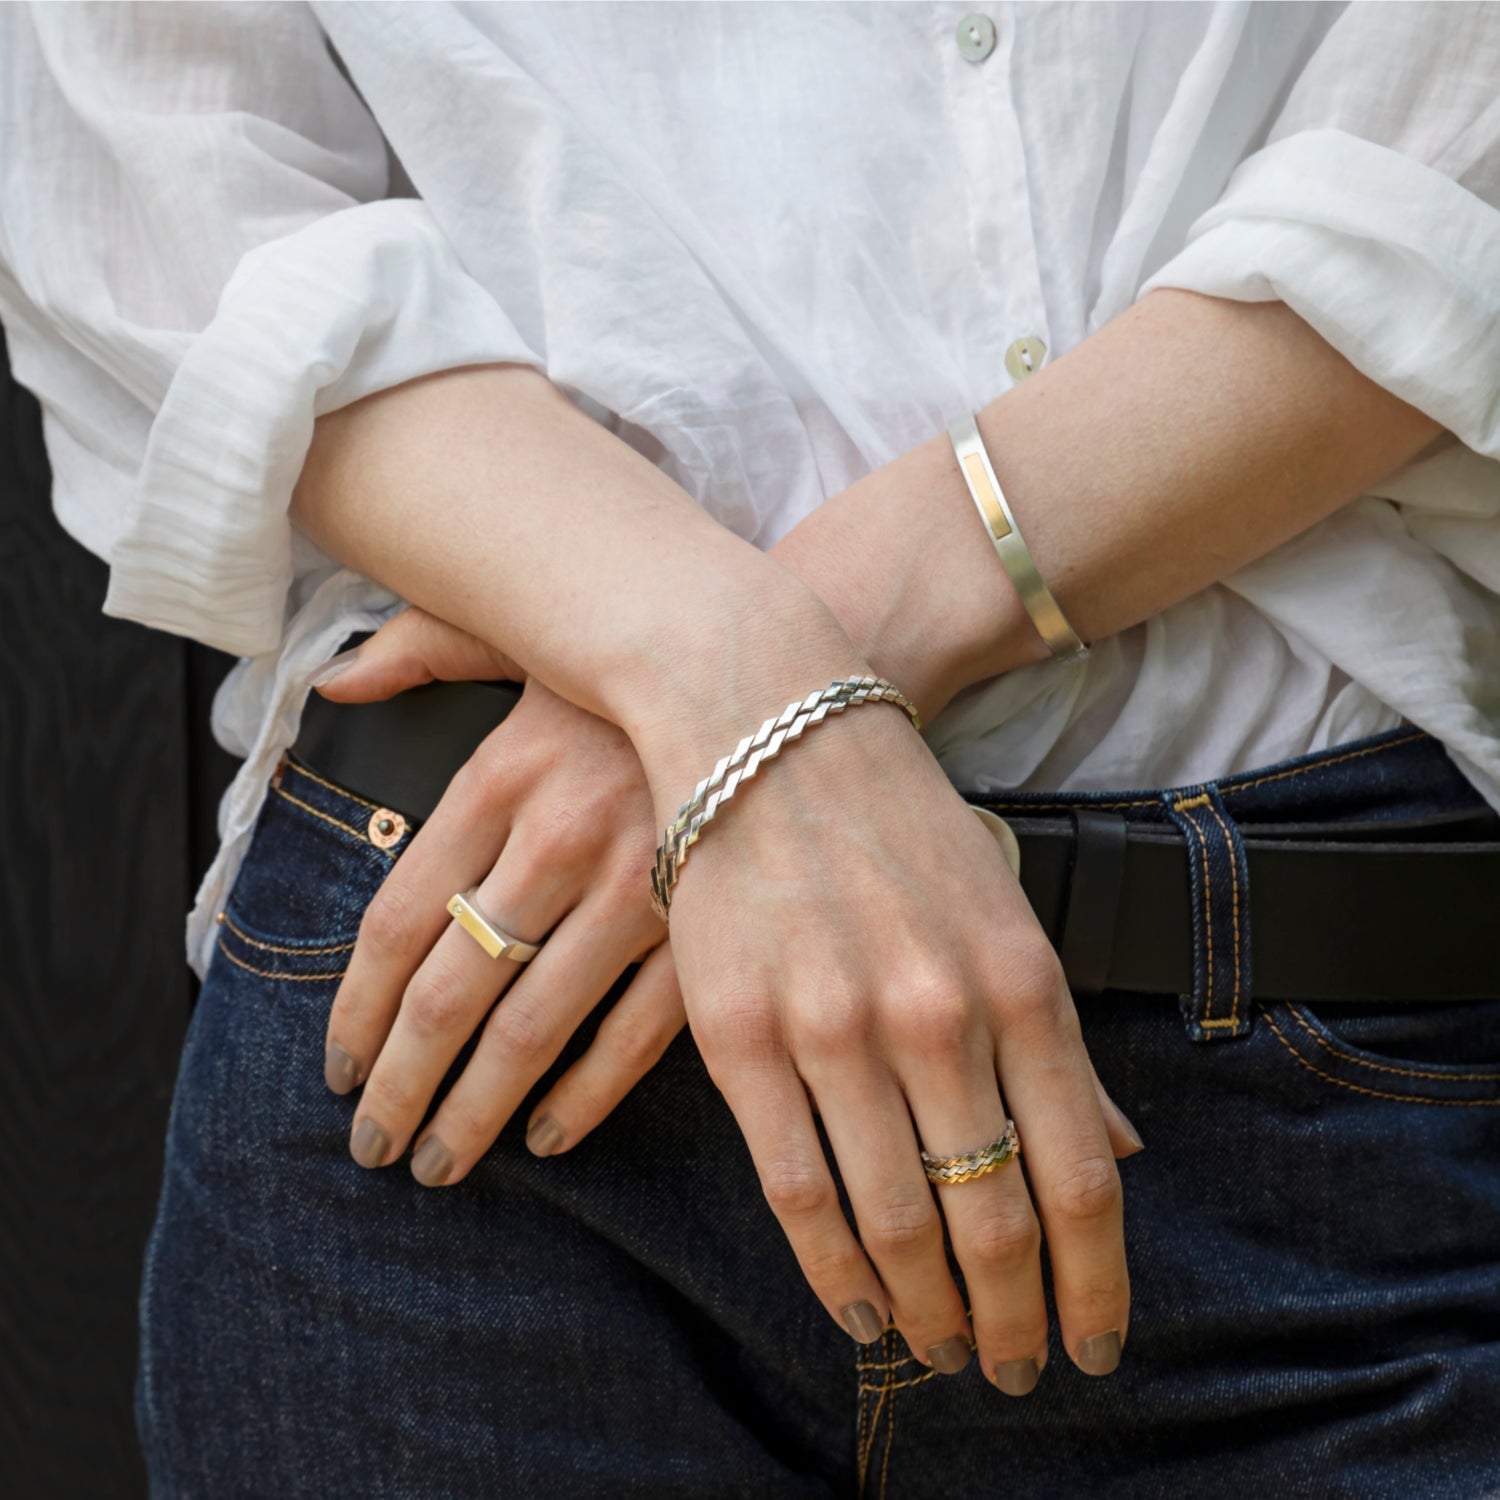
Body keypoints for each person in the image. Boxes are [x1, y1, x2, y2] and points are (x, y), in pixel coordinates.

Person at [2, 2, 1499, 1494]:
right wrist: (727, 670)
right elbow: (159, 170)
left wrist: (774, 692)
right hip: (479, 1075)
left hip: (1314, 1108)